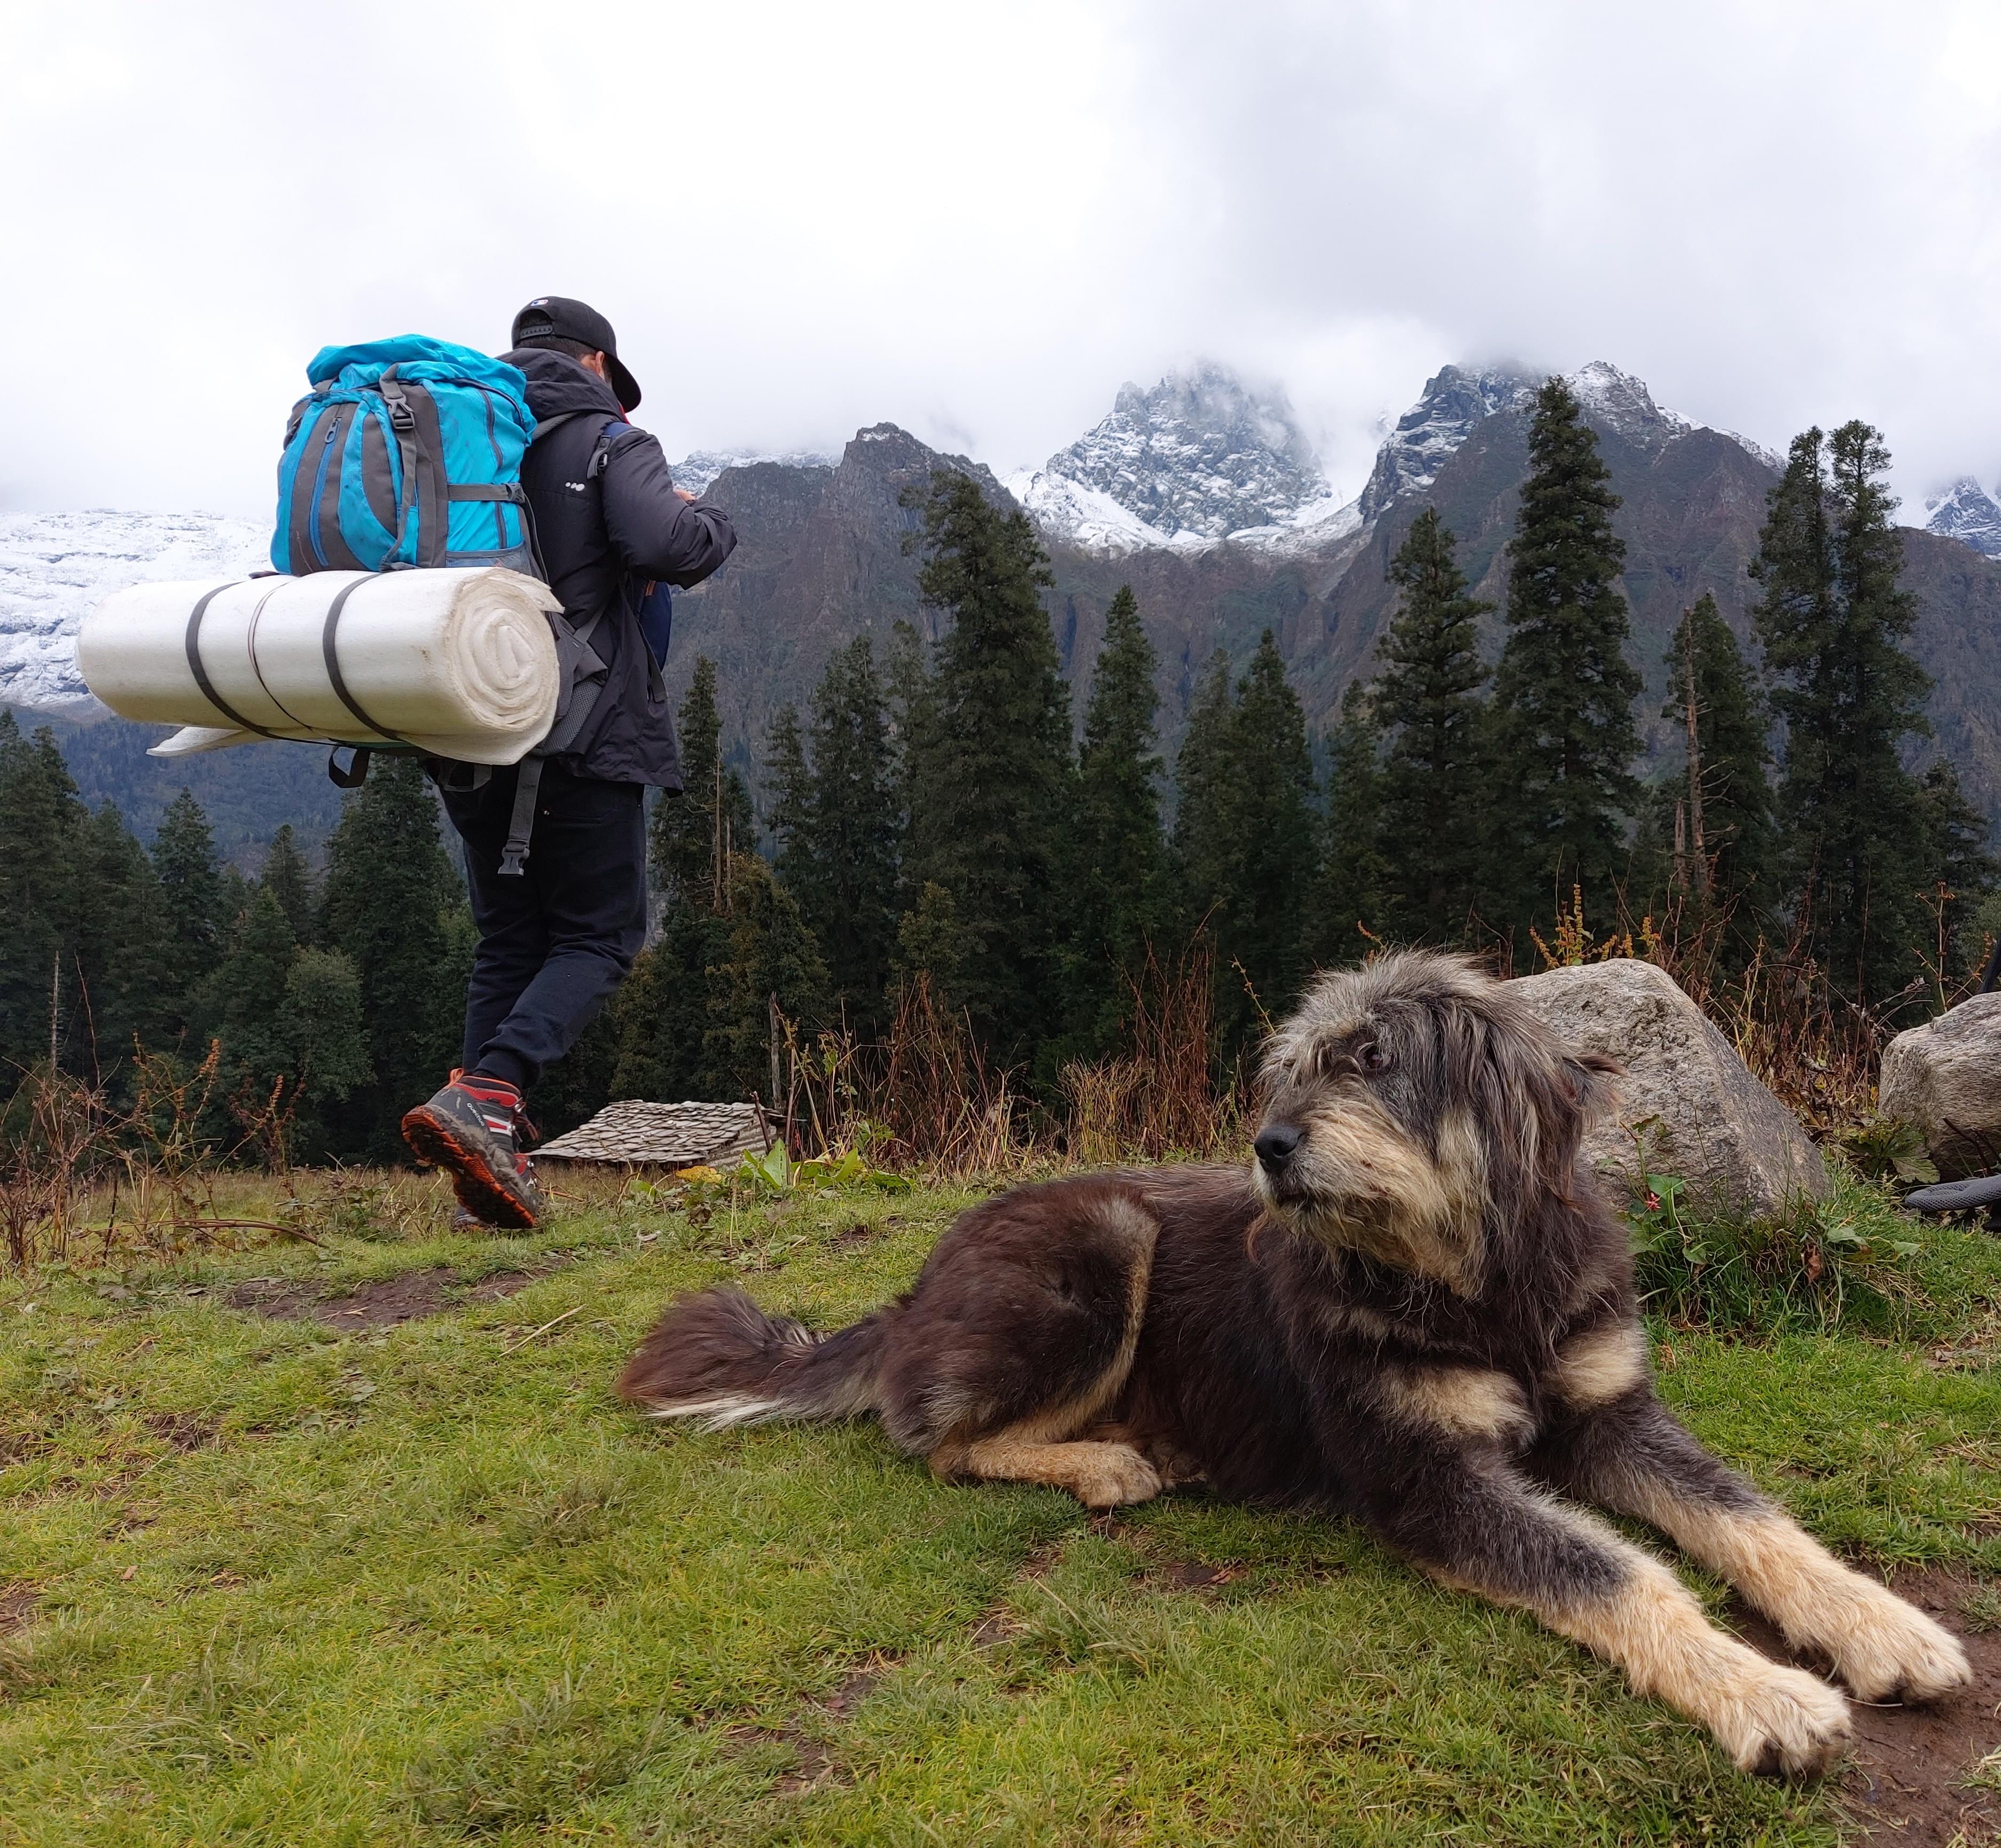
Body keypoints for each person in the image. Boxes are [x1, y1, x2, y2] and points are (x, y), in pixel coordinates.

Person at [400, 297, 736, 1228]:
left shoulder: (464, 438)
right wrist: (708, 518)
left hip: (467, 720)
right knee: (600, 936)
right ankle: (492, 1094)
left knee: (511, 938)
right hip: (577, 724)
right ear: (595, 363)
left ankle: (484, 1168)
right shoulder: (606, 440)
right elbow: (670, 548)